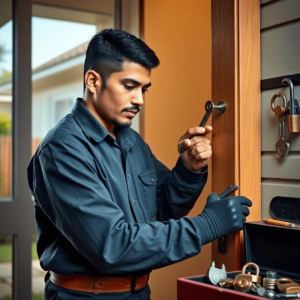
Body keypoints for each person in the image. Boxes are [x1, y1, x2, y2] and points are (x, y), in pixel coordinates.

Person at [27, 29, 252, 300]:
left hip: (139, 293)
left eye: (144, 89)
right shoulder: (62, 149)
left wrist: (188, 169)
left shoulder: (132, 142)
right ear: (93, 81)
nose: (140, 100)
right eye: (129, 86)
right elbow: (112, 246)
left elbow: (162, 210)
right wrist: (209, 224)